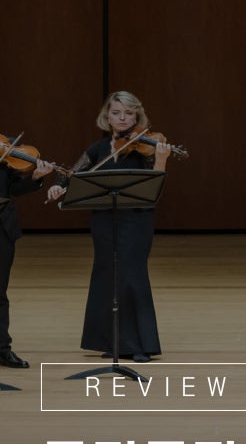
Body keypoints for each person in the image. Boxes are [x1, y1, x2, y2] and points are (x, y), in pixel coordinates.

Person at [46, 91, 171, 363]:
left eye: (128, 113)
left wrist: (162, 159)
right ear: (107, 117)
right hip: (104, 220)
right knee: (106, 277)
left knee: (132, 276)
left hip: (136, 220)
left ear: (137, 117)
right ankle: (111, 342)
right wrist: (58, 186)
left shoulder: (148, 147)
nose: (122, 118)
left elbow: (156, 186)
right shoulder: (97, 149)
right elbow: (72, 173)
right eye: (116, 113)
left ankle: (139, 344)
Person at [0, 144, 54, 368]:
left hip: (2, 225)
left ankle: (2, 349)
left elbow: (14, 189)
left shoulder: (6, 147)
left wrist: (36, 177)